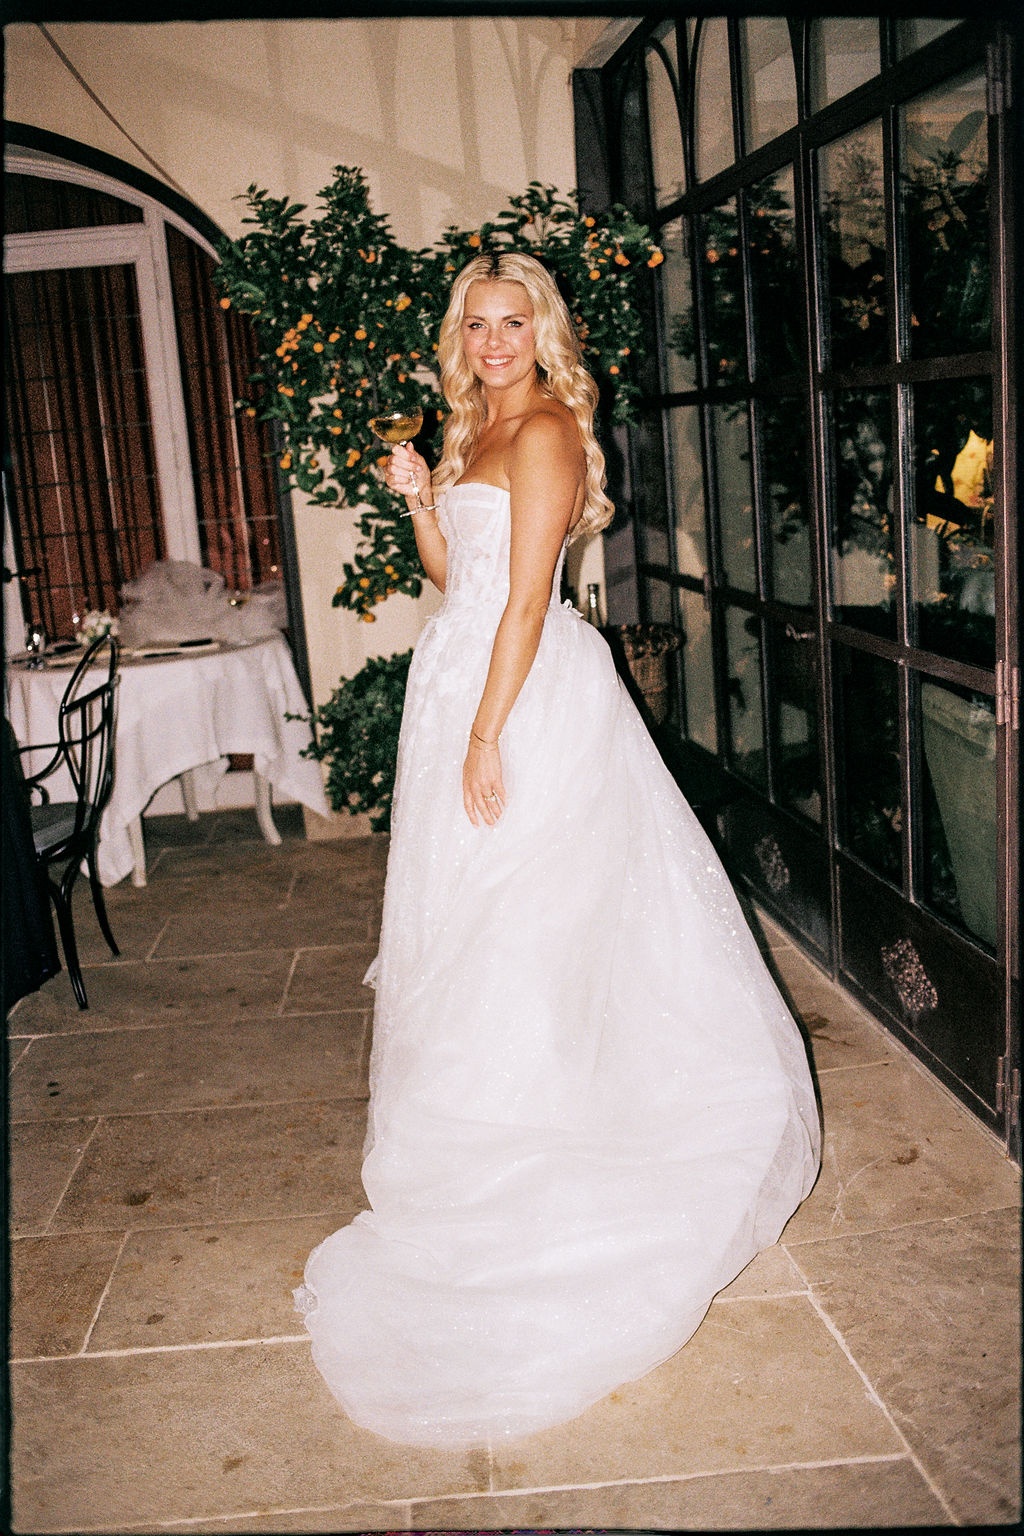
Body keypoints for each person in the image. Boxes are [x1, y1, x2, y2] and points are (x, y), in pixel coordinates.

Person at [295, 251, 821, 1448]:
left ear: (544, 331)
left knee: (526, 925)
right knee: (466, 931)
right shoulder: (476, 426)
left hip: (521, 697)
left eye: (512, 321)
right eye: (476, 323)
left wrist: (488, 734)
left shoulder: (542, 433)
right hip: (464, 678)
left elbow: (527, 602)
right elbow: (458, 580)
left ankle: (550, 1142)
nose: (493, 341)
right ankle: (482, 1129)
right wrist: (419, 496)